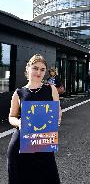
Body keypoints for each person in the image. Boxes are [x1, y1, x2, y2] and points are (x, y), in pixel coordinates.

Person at [7, 54, 62, 184]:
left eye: (42, 69)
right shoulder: (19, 93)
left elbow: (58, 111)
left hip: (43, 141)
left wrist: (57, 119)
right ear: (28, 69)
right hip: (21, 143)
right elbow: (11, 117)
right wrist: (19, 122)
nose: (39, 72)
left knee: (48, 177)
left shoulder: (51, 89)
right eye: (35, 68)